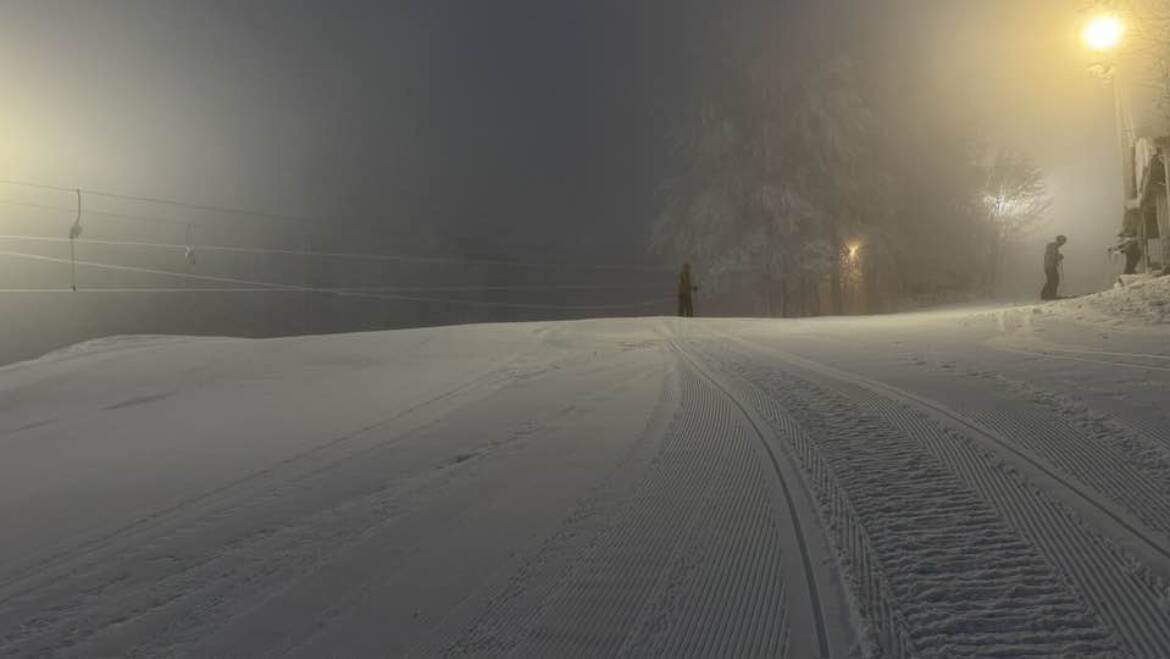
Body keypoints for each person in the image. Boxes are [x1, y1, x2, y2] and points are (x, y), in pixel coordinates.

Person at [1040, 234, 1067, 300]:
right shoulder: (1053, 246)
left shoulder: (1054, 247)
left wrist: (1058, 256)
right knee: (1054, 280)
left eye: (1063, 242)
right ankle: (1050, 295)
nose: (1062, 244)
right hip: (1050, 266)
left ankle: (1046, 295)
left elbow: (1053, 255)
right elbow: (1052, 256)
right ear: (1059, 240)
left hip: (1050, 266)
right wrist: (1058, 256)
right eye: (1062, 242)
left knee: (1051, 280)